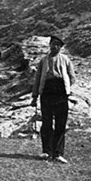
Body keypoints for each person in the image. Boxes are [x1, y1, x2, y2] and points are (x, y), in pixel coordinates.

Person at [31, 34, 75, 164]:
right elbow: (37, 79)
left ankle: (58, 153)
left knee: (61, 123)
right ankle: (47, 151)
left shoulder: (65, 60)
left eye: (58, 45)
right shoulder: (43, 61)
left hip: (61, 93)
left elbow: (72, 77)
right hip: (46, 93)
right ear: (49, 45)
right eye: (53, 44)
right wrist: (34, 96)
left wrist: (66, 87)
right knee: (46, 123)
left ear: (61, 47)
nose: (55, 47)